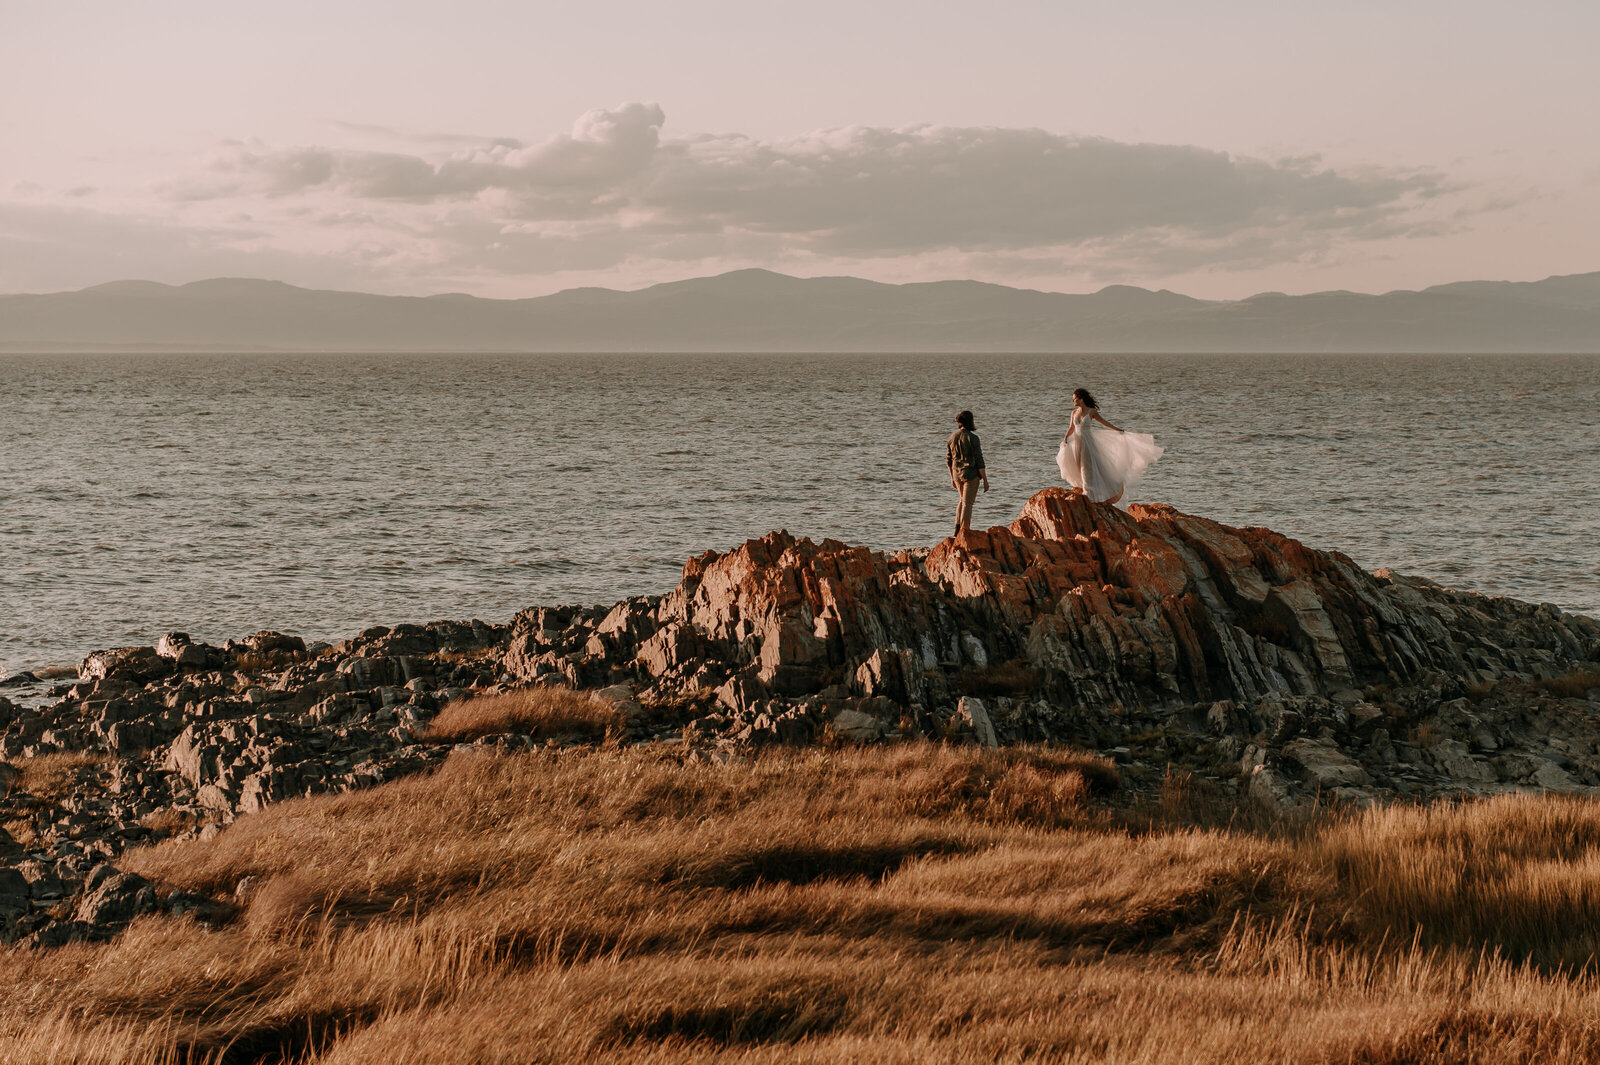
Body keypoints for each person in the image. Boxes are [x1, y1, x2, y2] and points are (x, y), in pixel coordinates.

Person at [1056, 388, 1163, 508]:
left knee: (1087, 466)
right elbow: (1071, 428)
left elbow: (1104, 422)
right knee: (1078, 465)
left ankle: (1089, 493)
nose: (1073, 401)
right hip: (1077, 442)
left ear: (1081, 399)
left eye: (1075, 399)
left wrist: (1118, 430)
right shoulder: (1073, 413)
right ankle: (1086, 488)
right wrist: (1065, 439)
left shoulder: (1091, 411)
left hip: (1088, 443)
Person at [946, 409, 989, 534]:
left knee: (962, 500)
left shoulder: (951, 438)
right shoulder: (973, 438)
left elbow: (948, 461)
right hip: (970, 475)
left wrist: (952, 478)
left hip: (956, 474)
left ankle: (957, 527)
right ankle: (965, 530)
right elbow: (979, 461)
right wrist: (985, 480)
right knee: (967, 503)